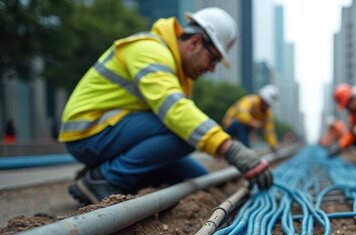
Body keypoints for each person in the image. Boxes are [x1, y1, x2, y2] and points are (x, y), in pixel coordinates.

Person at [59, 8, 272, 205]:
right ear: (195, 43)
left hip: (109, 133)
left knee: (197, 177)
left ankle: (107, 172)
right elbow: (175, 111)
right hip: (89, 134)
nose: (212, 69)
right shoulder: (150, 50)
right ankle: (103, 179)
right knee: (184, 132)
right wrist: (230, 149)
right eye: (213, 59)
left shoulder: (178, 72)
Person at [223, 84, 280, 152]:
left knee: (243, 128)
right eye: (265, 102)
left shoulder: (267, 113)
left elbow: (269, 131)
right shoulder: (250, 100)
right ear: (261, 98)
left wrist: (273, 145)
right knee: (240, 124)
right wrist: (253, 122)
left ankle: (245, 150)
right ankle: (247, 150)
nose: (265, 105)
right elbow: (241, 115)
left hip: (244, 129)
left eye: (267, 104)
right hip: (230, 125)